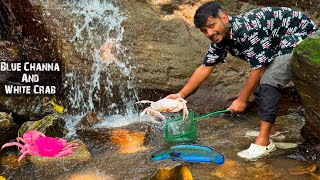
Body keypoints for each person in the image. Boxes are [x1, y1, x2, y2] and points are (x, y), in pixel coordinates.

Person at [166, 1, 318, 160]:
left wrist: (241, 100)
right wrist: (181, 94)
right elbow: (206, 66)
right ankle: (273, 132)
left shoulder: (247, 30)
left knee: (269, 81)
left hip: (302, 38)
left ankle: (263, 142)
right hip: (279, 44)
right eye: (205, 31)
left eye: (211, 26)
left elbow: (258, 69)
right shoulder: (221, 37)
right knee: (260, 84)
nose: (210, 33)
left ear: (224, 18)